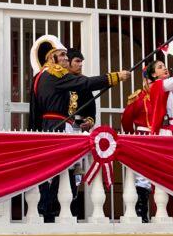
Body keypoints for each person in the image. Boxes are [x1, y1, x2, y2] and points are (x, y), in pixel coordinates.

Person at [27, 34, 129, 222]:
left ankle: (49, 213)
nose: (65, 59)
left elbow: (34, 112)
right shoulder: (54, 74)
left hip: (46, 128)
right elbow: (86, 83)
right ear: (51, 57)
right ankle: (52, 214)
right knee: (60, 174)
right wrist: (115, 77)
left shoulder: (39, 77)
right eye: (62, 55)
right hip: (58, 127)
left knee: (53, 174)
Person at [120, 74, 152, 223]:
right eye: (150, 81)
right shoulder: (138, 97)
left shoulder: (166, 96)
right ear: (145, 81)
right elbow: (126, 119)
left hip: (160, 138)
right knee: (143, 178)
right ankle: (141, 213)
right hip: (143, 138)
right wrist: (133, 137)